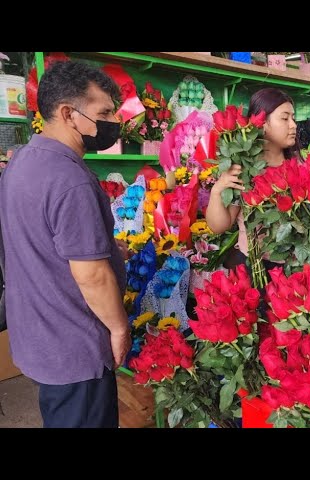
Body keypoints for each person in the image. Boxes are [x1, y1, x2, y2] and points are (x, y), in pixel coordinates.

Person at [0, 61, 130, 428]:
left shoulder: (21, 161)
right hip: (74, 347)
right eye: (103, 112)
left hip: (39, 336)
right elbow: (91, 276)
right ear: (68, 114)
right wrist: (119, 329)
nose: (112, 123)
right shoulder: (70, 179)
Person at [206, 87, 299, 262]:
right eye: (285, 118)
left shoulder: (300, 166)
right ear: (262, 123)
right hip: (254, 265)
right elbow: (219, 226)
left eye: (293, 118)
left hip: (295, 268)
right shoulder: (243, 169)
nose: (293, 125)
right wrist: (217, 191)